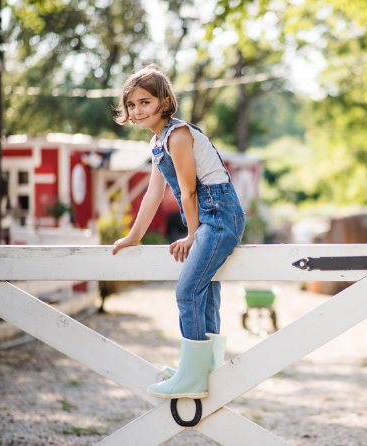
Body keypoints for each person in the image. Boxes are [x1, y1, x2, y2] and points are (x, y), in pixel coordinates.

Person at [111, 65, 245, 399]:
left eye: (145, 102)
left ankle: (193, 376)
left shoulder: (178, 134)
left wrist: (192, 234)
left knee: (187, 292)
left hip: (220, 214)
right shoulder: (158, 144)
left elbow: (187, 191)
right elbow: (153, 195)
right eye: (131, 104)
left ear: (164, 101)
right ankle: (204, 368)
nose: (137, 110)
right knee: (206, 292)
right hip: (210, 215)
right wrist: (133, 237)